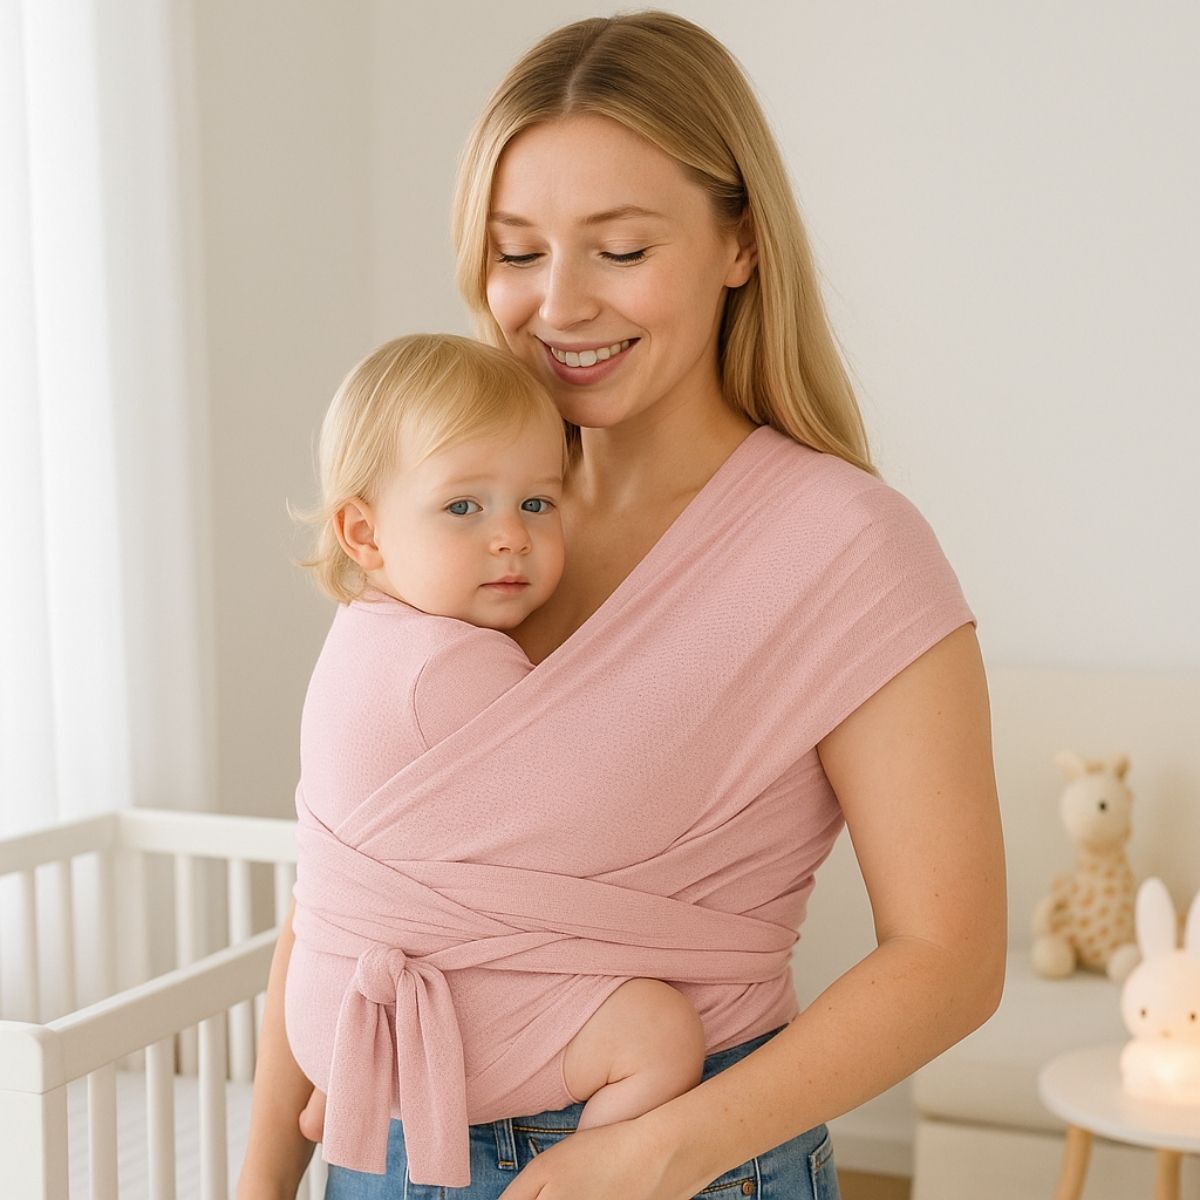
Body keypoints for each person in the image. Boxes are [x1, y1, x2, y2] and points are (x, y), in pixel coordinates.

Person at [237, 12, 1006, 1200]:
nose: (559, 305)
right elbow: (347, 884)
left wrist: (658, 1151)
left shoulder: (848, 550)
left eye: (621, 251)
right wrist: (259, 1182)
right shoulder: (459, 513)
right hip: (387, 1146)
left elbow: (950, 960)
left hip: (689, 1164)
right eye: (516, 251)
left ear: (738, 243)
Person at [284, 332, 707, 1163]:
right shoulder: (452, 665)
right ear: (364, 534)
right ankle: (582, 1174)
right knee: (659, 1035)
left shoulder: (363, 634)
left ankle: (353, 1093)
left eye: (537, 505)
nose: (510, 537)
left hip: (331, 1004)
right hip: (405, 1014)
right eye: (464, 507)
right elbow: (598, 813)